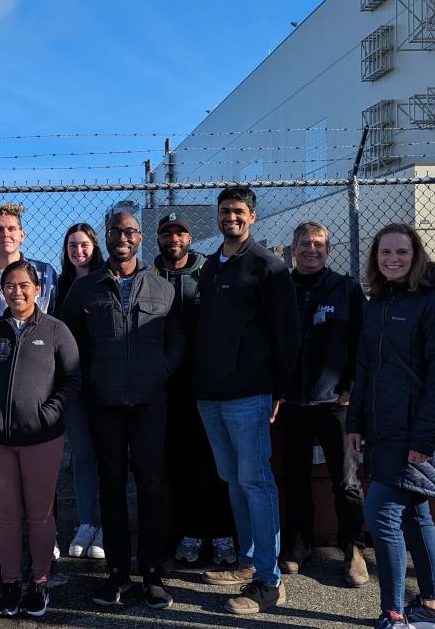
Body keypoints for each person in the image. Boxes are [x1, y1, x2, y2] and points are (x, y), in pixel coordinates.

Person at [60, 210, 184, 610]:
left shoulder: (162, 289)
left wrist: (162, 369)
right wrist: (91, 378)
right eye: (116, 231)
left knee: (150, 487)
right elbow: (69, 344)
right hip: (105, 404)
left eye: (130, 231)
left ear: (140, 238)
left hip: (150, 404)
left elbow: (178, 338)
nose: (123, 238)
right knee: (111, 487)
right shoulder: (84, 291)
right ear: (107, 238)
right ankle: (117, 574)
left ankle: (151, 575)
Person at [347, 223, 435, 629]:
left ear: (416, 256)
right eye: (384, 253)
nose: (392, 260)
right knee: (415, 516)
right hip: (380, 429)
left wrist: (425, 437)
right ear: (375, 259)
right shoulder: (376, 302)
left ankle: (394, 613)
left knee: (380, 513)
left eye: (401, 253)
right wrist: (355, 421)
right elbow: (365, 367)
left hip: (414, 432)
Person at [193, 186, 300, 616]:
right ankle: (248, 560)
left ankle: (269, 582)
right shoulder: (211, 267)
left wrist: (279, 391)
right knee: (233, 479)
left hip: (249, 394)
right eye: (224, 211)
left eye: (238, 211)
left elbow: (287, 335)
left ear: (252, 217)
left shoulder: (268, 267)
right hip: (211, 394)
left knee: (256, 481)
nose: (231, 217)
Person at [0, 260, 81, 618]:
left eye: (24, 285)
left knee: (40, 515)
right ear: (2, 290)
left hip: (42, 439)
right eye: (10, 285)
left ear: (37, 289)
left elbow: (71, 379)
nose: (17, 291)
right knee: (5, 515)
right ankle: (11, 583)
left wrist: (48, 414)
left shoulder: (56, 330)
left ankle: (40, 582)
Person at [0, 202, 59, 559]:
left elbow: (54, 324)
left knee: (41, 467)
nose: (5, 234)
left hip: (38, 378)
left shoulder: (46, 272)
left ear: (22, 234)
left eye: (11, 229)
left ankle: (46, 535)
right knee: (4, 470)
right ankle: (5, 533)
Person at [277, 221, 368, 586]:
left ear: (328, 250)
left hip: (336, 403)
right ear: (292, 249)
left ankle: (354, 549)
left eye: (318, 244)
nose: (311, 250)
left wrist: (351, 388)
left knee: (345, 482)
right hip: (291, 404)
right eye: (304, 244)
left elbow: (364, 344)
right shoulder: (280, 288)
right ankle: (299, 547)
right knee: (294, 480)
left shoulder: (346, 289)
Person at [152, 213, 236, 568]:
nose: (174, 238)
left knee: (217, 461)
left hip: (209, 385)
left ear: (190, 237)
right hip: (168, 389)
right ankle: (189, 531)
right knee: (179, 463)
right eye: (167, 232)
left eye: (181, 232)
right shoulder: (148, 277)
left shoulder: (210, 272)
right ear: (157, 239)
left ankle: (222, 533)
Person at [55, 223, 105, 560]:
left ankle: (106, 525)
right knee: (83, 454)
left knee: (110, 455)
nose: (78, 251)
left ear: (94, 246)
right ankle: (88, 522)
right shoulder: (58, 286)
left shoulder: (107, 279)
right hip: (72, 384)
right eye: (72, 245)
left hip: (105, 382)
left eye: (84, 244)